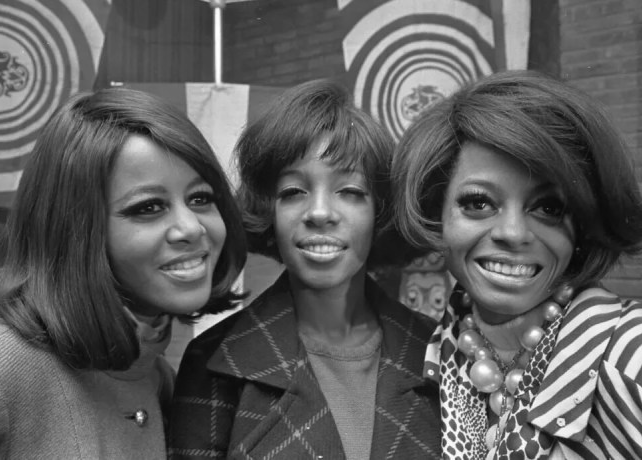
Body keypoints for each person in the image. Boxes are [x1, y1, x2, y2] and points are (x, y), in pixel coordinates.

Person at [0, 88, 247, 459]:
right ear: (75, 229)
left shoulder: (156, 377)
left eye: (200, 199)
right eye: (148, 207)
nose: (191, 228)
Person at [392, 70, 642, 459]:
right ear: (438, 213)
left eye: (548, 208)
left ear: (583, 227)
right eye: (479, 202)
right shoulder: (430, 353)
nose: (513, 233)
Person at [168, 79, 441, 459]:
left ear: (379, 212)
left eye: (350, 192)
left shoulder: (439, 351)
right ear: (270, 212)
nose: (320, 213)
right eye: (293, 192)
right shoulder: (212, 361)